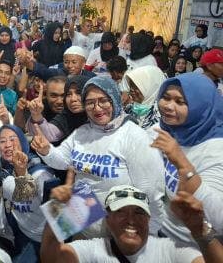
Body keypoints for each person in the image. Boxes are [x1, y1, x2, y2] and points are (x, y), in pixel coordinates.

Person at [31, 76, 164, 237]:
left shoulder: (136, 136)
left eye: (103, 100)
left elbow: (151, 192)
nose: (97, 108)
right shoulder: (82, 132)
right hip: (81, 221)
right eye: (90, 102)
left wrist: (149, 235)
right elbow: (63, 161)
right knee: (52, 243)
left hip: (119, 231)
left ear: (114, 99)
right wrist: (47, 150)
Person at [41, 184, 212, 263]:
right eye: (120, 212)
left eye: (139, 212)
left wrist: (202, 235)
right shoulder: (95, 249)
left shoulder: (170, 250)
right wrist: (59, 214)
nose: (130, 219)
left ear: (148, 219)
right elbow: (51, 258)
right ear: (107, 219)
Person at [151, 73, 223, 247]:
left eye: (180, 102)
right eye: (165, 98)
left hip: (194, 248)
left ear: (201, 107)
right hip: (160, 237)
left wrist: (182, 162)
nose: (168, 106)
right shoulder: (169, 129)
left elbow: (219, 220)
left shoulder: (216, 150)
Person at [0, 124, 54, 259]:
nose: (7, 145)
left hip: (45, 239)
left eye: (12, 139)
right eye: (2, 141)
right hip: (20, 235)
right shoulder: (3, 169)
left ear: (22, 142)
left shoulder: (40, 174)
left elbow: (61, 218)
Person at [27, 75, 90, 145]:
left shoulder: (101, 111)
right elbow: (49, 134)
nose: (73, 99)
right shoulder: (67, 115)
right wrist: (36, 115)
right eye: (69, 94)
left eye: (78, 93)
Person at [124, 66, 166, 130]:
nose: (131, 90)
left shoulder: (163, 115)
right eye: (130, 86)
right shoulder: (128, 109)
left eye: (136, 86)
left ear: (151, 87)